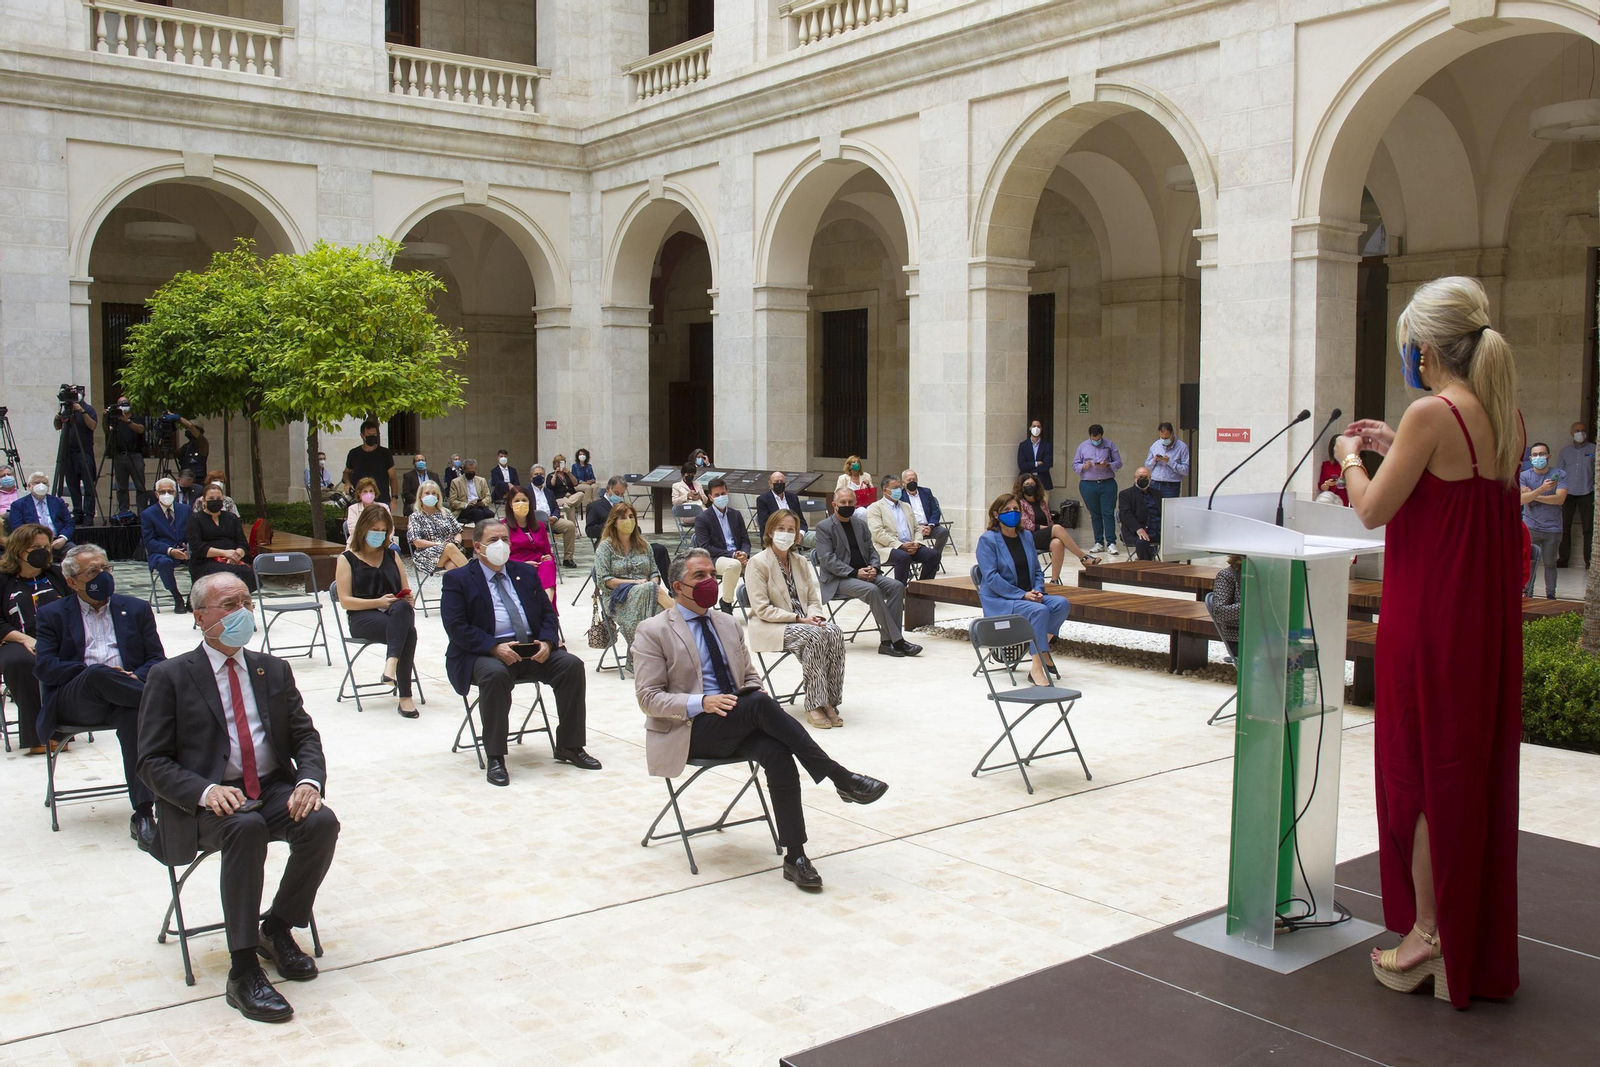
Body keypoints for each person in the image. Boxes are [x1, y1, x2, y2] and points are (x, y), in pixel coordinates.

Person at [1333, 275, 1521, 1008]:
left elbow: (1374, 508)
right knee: (1467, 767)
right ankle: (1460, 933)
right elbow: (1452, 483)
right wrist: (1394, 443)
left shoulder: (1429, 412)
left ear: (1425, 349)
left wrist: (1352, 454)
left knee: (1417, 769)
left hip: (1428, 618)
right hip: (1479, 620)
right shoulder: (1499, 410)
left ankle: (1429, 936)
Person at [136, 571, 339, 1024]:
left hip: (269, 788)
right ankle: (243, 968)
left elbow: (305, 737)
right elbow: (151, 762)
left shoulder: (272, 669)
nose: (243, 612)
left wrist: (309, 781)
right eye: (229, 605)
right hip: (205, 803)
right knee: (245, 827)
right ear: (200, 616)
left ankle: (278, 927)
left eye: (247, 602)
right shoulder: (170, 677)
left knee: (321, 823)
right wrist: (206, 791)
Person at [632, 548, 889, 891]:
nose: (711, 581)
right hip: (690, 728)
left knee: (776, 750)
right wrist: (702, 702)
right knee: (757, 706)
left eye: (712, 573)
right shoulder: (653, 630)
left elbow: (749, 678)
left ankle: (795, 857)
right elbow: (648, 698)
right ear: (678, 587)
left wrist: (753, 697)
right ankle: (839, 776)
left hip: (737, 719)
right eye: (700, 576)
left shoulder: (726, 623)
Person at [441, 520, 600, 786]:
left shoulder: (525, 573)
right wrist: (493, 646)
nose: (501, 545)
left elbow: (548, 615)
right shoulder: (457, 579)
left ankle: (570, 746)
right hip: (485, 652)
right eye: (493, 540)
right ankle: (495, 756)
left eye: (505, 538)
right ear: (478, 547)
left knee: (571, 665)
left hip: (530, 649)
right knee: (494, 675)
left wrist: (547, 643)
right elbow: (456, 627)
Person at [34, 543, 165, 848]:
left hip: (128, 697)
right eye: (93, 571)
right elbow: (45, 667)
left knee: (135, 716)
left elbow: (156, 659)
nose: (103, 575)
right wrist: (95, 675)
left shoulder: (135, 609)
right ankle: (175, 705)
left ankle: (144, 813)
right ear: (72, 581)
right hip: (77, 701)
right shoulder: (52, 614)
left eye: (106, 568)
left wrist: (135, 677)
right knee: (97, 673)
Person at [748, 511, 847, 730]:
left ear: (797, 535)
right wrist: (799, 619)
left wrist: (815, 616)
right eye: (780, 529)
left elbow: (813, 598)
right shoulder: (757, 563)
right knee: (814, 636)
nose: (785, 533)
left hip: (804, 621)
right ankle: (814, 703)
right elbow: (762, 609)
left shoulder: (801, 562)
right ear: (770, 531)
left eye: (790, 529)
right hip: (772, 626)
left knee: (833, 631)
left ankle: (829, 700)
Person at [811, 489, 922, 658]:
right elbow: (827, 559)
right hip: (839, 579)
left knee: (897, 586)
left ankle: (886, 642)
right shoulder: (824, 527)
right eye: (843, 503)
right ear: (834, 504)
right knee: (872, 591)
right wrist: (855, 572)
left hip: (866, 574)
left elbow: (872, 550)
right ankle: (898, 641)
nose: (847, 506)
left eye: (850, 502)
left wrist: (874, 568)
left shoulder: (860, 524)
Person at [976, 494, 1070, 688]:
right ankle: (1037, 666)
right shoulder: (988, 540)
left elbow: (1036, 569)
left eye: (1016, 510)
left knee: (1061, 604)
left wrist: (1037, 590)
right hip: (1002, 599)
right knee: (1040, 611)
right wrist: (1022, 595)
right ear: (996, 514)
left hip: (1029, 595)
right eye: (1007, 510)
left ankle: (1039, 653)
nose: (1013, 513)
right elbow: (991, 577)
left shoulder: (1026, 536)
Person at [335, 506, 419, 718]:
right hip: (363, 615)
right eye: (374, 528)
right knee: (409, 632)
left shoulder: (392, 555)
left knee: (401, 608)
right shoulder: (347, 559)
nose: (379, 534)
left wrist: (409, 598)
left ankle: (391, 663)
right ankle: (405, 696)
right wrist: (378, 601)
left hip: (395, 613)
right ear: (363, 528)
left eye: (383, 530)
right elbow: (345, 601)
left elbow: (405, 590)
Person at [0, 524, 69, 754]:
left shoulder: (58, 574)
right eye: (35, 547)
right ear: (19, 550)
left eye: (45, 547)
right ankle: (38, 735)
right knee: (21, 662)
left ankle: (64, 727)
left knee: (62, 658)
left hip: (58, 638)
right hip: (13, 639)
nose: (42, 551)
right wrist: (24, 639)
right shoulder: (3, 579)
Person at [594, 501, 673, 664]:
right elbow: (604, 580)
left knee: (660, 614)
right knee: (653, 592)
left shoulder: (644, 545)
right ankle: (682, 618)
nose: (628, 520)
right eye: (623, 517)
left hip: (648, 593)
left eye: (631, 517)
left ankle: (654, 659)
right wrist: (635, 583)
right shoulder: (605, 547)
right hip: (618, 598)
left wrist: (648, 586)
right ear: (614, 522)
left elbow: (654, 573)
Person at [1014, 474, 1100, 582]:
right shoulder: (1018, 503)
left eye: (1032, 484)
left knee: (1057, 543)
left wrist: (1051, 528)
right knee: (1057, 528)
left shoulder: (1041, 502)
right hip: (1027, 537)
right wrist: (1050, 529)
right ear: (1021, 487)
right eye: (1026, 484)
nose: (1030, 486)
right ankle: (1083, 557)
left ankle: (1054, 580)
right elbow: (1028, 525)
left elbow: (1049, 521)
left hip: (1043, 536)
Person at [866, 475, 944, 584]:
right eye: (895, 488)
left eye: (900, 487)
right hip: (888, 547)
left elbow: (917, 528)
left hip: (911, 546)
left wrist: (916, 543)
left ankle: (922, 590)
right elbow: (877, 533)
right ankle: (900, 592)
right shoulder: (875, 507)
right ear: (885, 490)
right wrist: (900, 546)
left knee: (934, 555)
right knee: (903, 557)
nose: (898, 490)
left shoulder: (906, 506)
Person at [692, 478, 750, 614]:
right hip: (715, 558)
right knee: (733, 565)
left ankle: (758, 602)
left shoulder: (735, 515)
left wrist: (744, 554)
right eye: (717, 495)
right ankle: (726, 602)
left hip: (738, 556)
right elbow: (705, 547)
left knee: (760, 564)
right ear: (710, 497)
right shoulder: (702, 518)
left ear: (728, 493)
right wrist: (733, 555)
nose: (721, 497)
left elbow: (745, 540)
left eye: (723, 493)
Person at [187, 482, 257, 590]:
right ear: (204, 501)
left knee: (246, 571)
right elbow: (197, 547)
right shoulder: (195, 519)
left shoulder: (232, 518)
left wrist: (236, 555)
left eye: (218, 498)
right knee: (226, 572)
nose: (215, 501)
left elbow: (242, 543)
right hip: (205, 560)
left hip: (232, 559)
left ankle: (239, 601)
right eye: (211, 498)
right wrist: (224, 553)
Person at [1519, 443, 1565, 600]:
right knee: (1529, 563)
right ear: (1530, 458)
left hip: (1553, 527)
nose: (1539, 457)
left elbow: (1560, 499)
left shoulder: (1559, 474)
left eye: (1542, 454)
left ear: (1549, 456)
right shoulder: (1524, 476)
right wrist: (1541, 490)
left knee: (1550, 564)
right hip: (1530, 525)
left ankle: (1551, 595)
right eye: (1535, 455)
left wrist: (1532, 495)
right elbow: (1520, 500)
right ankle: (1527, 593)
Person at [141, 476, 191, 613]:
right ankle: (177, 597)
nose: (166, 495)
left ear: (175, 493)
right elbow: (149, 541)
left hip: (185, 549)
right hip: (162, 552)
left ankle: (193, 597)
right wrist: (169, 550)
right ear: (156, 494)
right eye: (162, 492)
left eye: (170, 491)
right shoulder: (148, 514)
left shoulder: (186, 510)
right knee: (164, 563)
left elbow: (193, 532)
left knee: (202, 559)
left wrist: (187, 548)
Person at [504, 485, 558, 604]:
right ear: (510, 504)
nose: (521, 504)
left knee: (549, 565)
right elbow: (502, 557)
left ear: (530, 503)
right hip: (516, 566)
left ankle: (546, 606)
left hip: (539, 564)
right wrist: (523, 565)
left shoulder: (539, 526)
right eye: (517, 501)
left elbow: (547, 552)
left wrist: (547, 557)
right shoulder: (503, 526)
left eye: (524, 500)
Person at [1073, 424, 1122, 555]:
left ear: (1102, 435)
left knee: (1108, 513)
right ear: (1090, 436)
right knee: (1095, 514)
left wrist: (1108, 465)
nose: (1096, 441)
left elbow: (1119, 463)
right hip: (1088, 484)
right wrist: (1084, 466)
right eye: (1093, 439)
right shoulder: (1082, 446)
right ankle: (1098, 542)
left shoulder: (1110, 445)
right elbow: (1075, 465)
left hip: (1107, 483)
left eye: (1098, 439)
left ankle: (1111, 542)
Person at [407, 480, 468, 578]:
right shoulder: (415, 516)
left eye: (434, 493)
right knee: (449, 547)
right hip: (427, 554)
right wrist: (439, 544)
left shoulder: (446, 512)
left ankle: (460, 591)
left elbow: (458, 532)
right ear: (420, 496)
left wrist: (456, 542)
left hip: (451, 550)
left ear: (438, 496)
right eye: (427, 493)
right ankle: (478, 580)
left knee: (453, 566)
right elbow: (417, 542)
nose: (430, 495)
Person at [53, 390, 97, 524]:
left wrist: (82, 411)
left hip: (84, 451)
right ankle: (77, 512)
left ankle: (89, 514)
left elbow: (92, 425)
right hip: (68, 453)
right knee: (72, 484)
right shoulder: (67, 410)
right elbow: (57, 427)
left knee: (88, 484)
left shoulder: (88, 409)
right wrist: (57, 419)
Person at [7, 471, 73, 558]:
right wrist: (36, 542)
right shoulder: (18, 504)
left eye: (44, 483)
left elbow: (69, 523)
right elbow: (17, 527)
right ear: (29, 486)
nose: (41, 485)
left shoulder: (58, 501)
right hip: (32, 542)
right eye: (37, 483)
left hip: (57, 541)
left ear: (48, 486)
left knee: (74, 554)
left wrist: (63, 538)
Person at [1557, 421, 1594, 569]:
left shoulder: (1593, 449)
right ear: (1572, 433)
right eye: (1578, 430)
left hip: (1587, 492)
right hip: (1568, 493)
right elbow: (1560, 473)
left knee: (1588, 529)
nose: (1581, 433)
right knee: (1564, 527)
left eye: (1583, 430)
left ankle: (1590, 561)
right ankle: (1563, 559)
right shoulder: (1564, 452)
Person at [527, 464, 579, 567]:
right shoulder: (525, 491)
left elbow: (555, 508)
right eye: (536, 474)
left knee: (570, 526)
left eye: (541, 474)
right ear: (531, 477)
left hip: (551, 520)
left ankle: (568, 558)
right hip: (534, 522)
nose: (539, 476)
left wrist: (554, 517)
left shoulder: (549, 492)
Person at [341, 420, 398, 505]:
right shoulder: (354, 453)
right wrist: (347, 483)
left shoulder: (385, 453)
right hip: (359, 500)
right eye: (369, 435)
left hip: (381, 499)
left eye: (374, 435)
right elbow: (346, 472)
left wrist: (394, 498)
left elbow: (393, 477)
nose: (372, 437)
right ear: (362, 436)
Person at [754, 470, 812, 550]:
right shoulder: (763, 499)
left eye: (781, 481)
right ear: (770, 484)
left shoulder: (793, 498)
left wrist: (800, 534)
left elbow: (801, 521)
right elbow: (764, 523)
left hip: (795, 534)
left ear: (785, 483)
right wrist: (784, 533)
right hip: (776, 536)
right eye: (776, 481)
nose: (779, 483)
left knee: (817, 538)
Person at [108, 396, 147, 513]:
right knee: (121, 487)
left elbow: (141, 429)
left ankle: (141, 512)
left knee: (140, 486)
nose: (123, 406)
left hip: (135, 455)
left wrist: (128, 421)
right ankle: (124, 511)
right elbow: (107, 430)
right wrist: (106, 417)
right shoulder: (115, 419)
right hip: (119, 456)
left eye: (125, 404)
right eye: (120, 404)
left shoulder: (137, 418)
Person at [1118, 467, 1162, 560]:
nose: (1143, 479)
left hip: (1157, 531)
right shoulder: (1125, 494)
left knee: (1175, 540)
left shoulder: (1157, 493)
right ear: (1135, 478)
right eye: (1140, 477)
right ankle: (1146, 567)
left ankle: (1171, 569)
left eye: (1146, 477)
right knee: (1142, 542)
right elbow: (1126, 515)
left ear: (1150, 478)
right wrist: (1138, 529)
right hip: (1136, 532)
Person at [1145, 422, 1189, 500]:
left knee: (1169, 510)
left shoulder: (1182, 447)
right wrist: (1154, 460)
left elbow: (1185, 470)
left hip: (1171, 486)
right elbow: (1147, 466)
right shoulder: (1156, 445)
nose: (1164, 440)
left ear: (1172, 434)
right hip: (1155, 483)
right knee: (1152, 509)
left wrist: (1169, 462)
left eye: (1166, 438)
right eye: (1162, 438)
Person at [343, 478, 390, 546]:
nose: (369, 494)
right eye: (365, 491)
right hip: (358, 544)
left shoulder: (384, 507)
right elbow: (354, 531)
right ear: (359, 494)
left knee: (395, 550)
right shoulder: (353, 509)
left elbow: (390, 528)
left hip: (381, 543)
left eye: (371, 491)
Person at [448, 459, 494, 525]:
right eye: (469, 471)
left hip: (479, 506)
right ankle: (479, 533)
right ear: (464, 470)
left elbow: (488, 497)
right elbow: (452, 501)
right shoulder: (455, 482)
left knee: (489, 514)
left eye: (473, 471)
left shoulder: (481, 480)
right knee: (478, 513)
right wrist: (467, 505)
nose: (472, 473)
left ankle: (488, 533)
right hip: (463, 509)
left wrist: (482, 502)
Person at [1210, 555, 1242, 647]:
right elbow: (1220, 612)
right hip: (1238, 637)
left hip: (1265, 635)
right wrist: (1249, 605)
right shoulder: (1227, 575)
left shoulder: (1265, 575)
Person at [1018, 418, 1053, 491]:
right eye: (1034, 426)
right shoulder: (1023, 445)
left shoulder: (1047, 446)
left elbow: (1046, 466)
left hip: (1043, 481)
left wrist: (1029, 467)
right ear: (1030, 428)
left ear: (1041, 429)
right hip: (1026, 481)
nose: (1036, 428)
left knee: (1043, 502)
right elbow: (1021, 465)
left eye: (1038, 426)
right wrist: (1036, 463)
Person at [548, 454, 584, 524]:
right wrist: (555, 474)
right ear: (554, 464)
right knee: (571, 506)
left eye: (561, 463)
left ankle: (566, 504)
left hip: (571, 496)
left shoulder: (567, 474)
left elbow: (575, 483)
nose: (559, 465)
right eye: (557, 463)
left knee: (581, 494)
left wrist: (569, 474)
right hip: (559, 498)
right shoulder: (551, 475)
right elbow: (551, 485)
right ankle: (573, 528)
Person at [1316, 437, 1351, 505]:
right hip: (1329, 501)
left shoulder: (1350, 465)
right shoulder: (1326, 465)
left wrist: (1343, 483)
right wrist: (1327, 484)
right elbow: (1322, 487)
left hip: (1345, 501)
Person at [175, 416, 208, 481]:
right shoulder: (186, 447)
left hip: (198, 480)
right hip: (185, 480)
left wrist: (177, 417)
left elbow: (190, 426)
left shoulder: (202, 443)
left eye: (189, 429)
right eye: (186, 428)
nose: (187, 430)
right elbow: (171, 455)